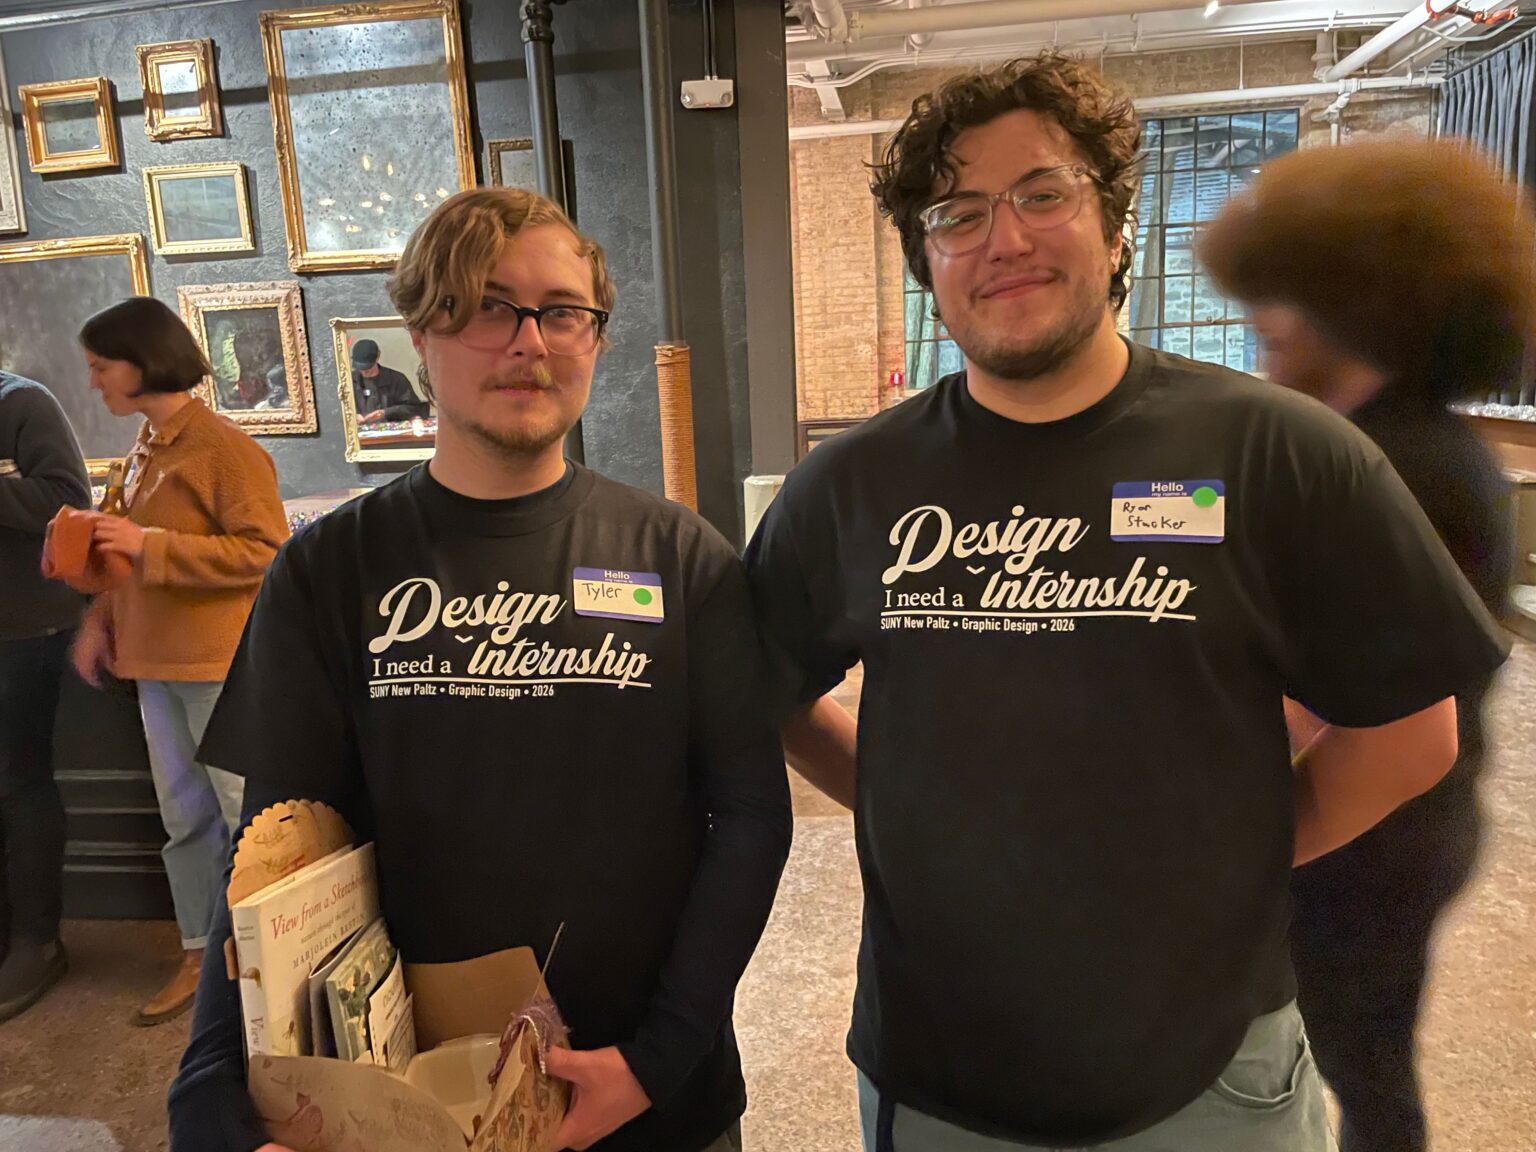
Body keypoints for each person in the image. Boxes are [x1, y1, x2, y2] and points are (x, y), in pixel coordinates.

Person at [745, 53, 1509, 1152]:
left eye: (1042, 193)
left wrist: (1239, 856)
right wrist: (908, 812)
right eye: (957, 214)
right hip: (940, 1073)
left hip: (1212, 1077)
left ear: (1114, 229)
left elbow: (1410, 734)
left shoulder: (1284, 454)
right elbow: (768, 688)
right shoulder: (851, 485)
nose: (1004, 238)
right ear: (927, 263)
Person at [166, 187, 791, 1152]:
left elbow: (750, 817)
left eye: (563, 312)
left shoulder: (681, 558)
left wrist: (659, 1059)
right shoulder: (330, 570)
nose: (529, 341)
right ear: (420, 333)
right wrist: (211, 1089)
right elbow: (277, 852)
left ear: (595, 339)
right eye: (489, 306)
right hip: (409, 1100)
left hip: (646, 1091)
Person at [1200, 139, 1531, 1152]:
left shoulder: (1405, 467)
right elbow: (1214, 511)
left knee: (1361, 1071)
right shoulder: (1366, 440)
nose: (1264, 323)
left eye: (1286, 300)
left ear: (1361, 306)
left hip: (1373, 838)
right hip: (1384, 825)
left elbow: (1331, 689)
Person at [70, 296, 288, 1026]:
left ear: (143, 362)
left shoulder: (222, 449)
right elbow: (127, 553)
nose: (94, 381)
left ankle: (271, 963)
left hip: (215, 666)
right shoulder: (146, 447)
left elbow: (267, 551)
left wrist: (149, 547)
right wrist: (101, 617)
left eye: (102, 366)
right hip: (155, 666)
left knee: (244, 818)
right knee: (185, 821)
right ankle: (201, 953)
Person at [0, 373, 91, 1022]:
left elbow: (65, 499)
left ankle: (37, 942)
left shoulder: (21, 402)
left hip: (24, 631)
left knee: (19, 780)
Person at [350, 337, 430, 424]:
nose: (364, 372)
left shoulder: (396, 379)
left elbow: (415, 409)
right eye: (360, 368)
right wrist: (353, 415)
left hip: (391, 429)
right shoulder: (349, 381)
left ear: (378, 356)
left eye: (368, 367)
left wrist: (386, 413)